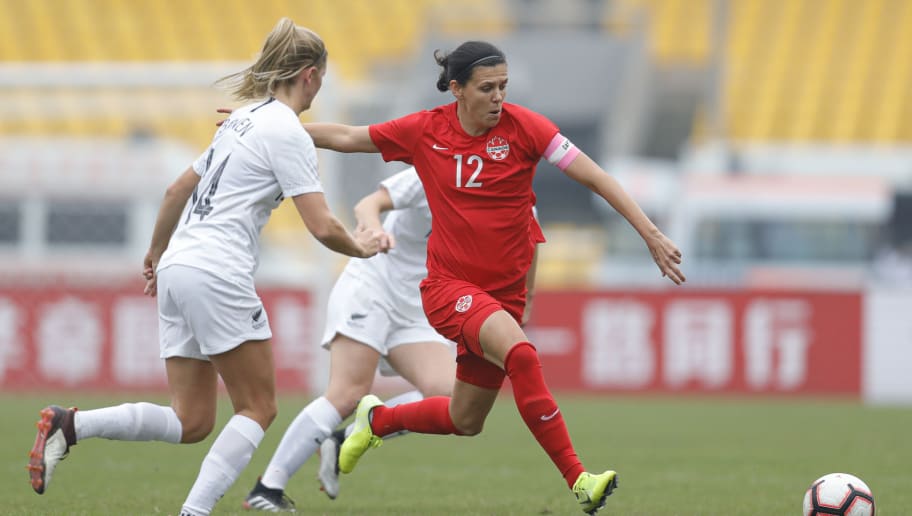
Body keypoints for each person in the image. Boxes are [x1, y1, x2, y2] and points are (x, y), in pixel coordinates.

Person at [298, 40, 686, 515]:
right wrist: (272, 127)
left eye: (503, 86)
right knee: (522, 354)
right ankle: (579, 479)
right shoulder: (425, 130)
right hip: (448, 290)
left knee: (465, 419)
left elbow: (597, 178)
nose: (498, 97)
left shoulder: (527, 129)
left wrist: (650, 234)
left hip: (500, 298)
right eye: (487, 88)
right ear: (457, 89)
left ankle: (376, 421)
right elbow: (345, 136)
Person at [25, 18, 386, 516]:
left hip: (178, 265)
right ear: (309, 74)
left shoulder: (240, 120)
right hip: (218, 270)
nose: (322, 85)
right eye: (321, 76)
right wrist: (362, 247)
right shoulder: (286, 132)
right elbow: (322, 226)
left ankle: (72, 425)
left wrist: (154, 253)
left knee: (192, 420)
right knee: (258, 408)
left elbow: (177, 189)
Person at [241, 166, 545, 511]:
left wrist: (528, 298)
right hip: (374, 285)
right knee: (348, 392)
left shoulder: (515, 197)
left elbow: (530, 240)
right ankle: (267, 488)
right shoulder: (438, 167)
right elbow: (368, 204)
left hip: (417, 305)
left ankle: (344, 440)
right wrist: (374, 229)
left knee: (449, 394)